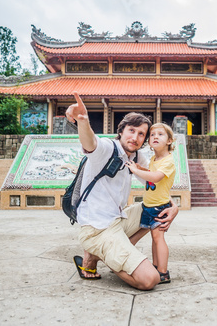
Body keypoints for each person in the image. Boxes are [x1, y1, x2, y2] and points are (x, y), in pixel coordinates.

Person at [65, 92, 179, 290]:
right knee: (149, 279)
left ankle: (103, 254)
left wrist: (174, 206)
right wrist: (83, 121)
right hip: (97, 229)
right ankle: (102, 254)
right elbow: (91, 143)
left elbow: (157, 182)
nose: (135, 137)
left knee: (155, 213)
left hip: (117, 220)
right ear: (122, 130)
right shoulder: (107, 148)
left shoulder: (136, 157)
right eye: (131, 130)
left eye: (141, 134)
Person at [126, 123, 176, 284]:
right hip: (149, 205)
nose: (155, 137)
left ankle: (163, 271)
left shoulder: (168, 161)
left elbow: (156, 177)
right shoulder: (155, 159)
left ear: (169, 141)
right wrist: (142, 168)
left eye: (160, 134)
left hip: (159, 207)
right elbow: (151, 173)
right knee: (155, 239)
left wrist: (135, 170)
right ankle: (156, 266)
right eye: (152, 134)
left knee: (158, 238)